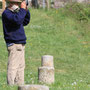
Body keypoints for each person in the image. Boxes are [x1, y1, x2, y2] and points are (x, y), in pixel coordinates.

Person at [2, 0, 30, 85]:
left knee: (21, 67)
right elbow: (17, 20)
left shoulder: (16, 13)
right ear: (10, 4)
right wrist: (21, 10)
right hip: (14, 44)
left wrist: (25, 10)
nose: (17, 5)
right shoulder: (7, 13)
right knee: (13, 66)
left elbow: (25, 21)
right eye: (16, 3)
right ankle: (10, 85)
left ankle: (19, 85)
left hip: (20, 43)